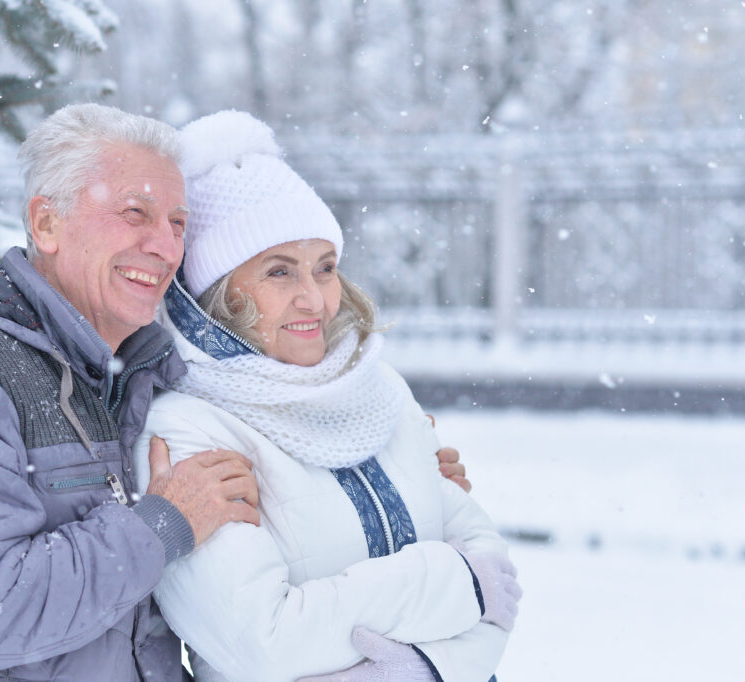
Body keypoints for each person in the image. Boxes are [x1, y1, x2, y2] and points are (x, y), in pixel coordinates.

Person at [0, 103, 262, 680]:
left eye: (177, 222)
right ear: (46, 224)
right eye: (134, 213)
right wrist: (161, 524)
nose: (167, 248)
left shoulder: (136, 373)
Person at [135, 110, 521, 682]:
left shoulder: (378, 391)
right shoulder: (189, 432)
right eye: (279, 273)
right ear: (215, 295)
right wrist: (446, 582)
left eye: (325, 267)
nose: (314, 300)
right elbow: (263, 643)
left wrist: (422, 668)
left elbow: (499, 587)